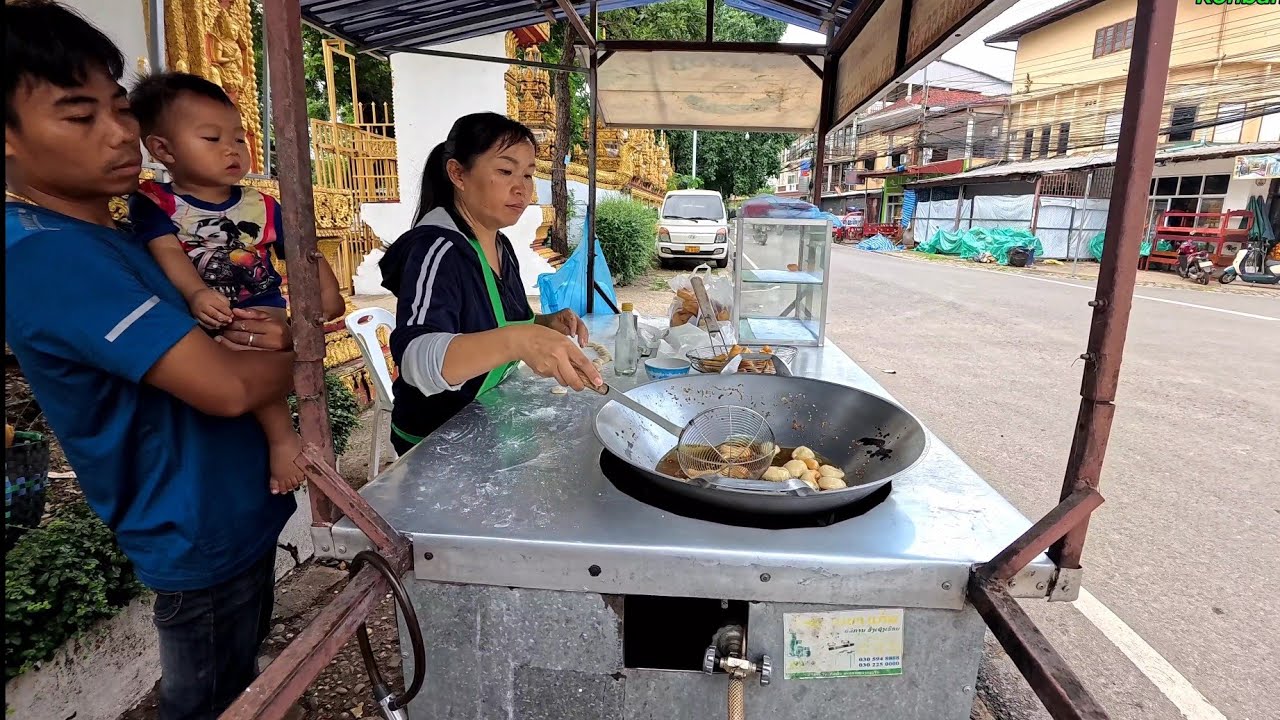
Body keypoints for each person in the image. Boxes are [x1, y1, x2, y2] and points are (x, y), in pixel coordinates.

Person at [4, 3, 295, 717]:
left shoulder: (122, 231)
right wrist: (299, 356)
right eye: (79, 117)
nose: (120, 134)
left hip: (234, 509)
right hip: (193, 529)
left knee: (241, 684)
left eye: (119, 107)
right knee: (208, 702)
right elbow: (226, 387)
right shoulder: (48, 255)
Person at [127, 71, 345, 492]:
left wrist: (328, 293)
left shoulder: (262, 203)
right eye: (212, 139)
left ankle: (283, 438)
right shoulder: (155, 202)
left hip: (259, 301)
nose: (232, 149)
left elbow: (303, 250)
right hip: (200, 308)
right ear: (163, 149)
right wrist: (195, 292)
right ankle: (273, 440)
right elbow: (167, 250)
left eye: (239, 138)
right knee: (220, 363)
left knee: (255, 351)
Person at [379, 113, 603, 452]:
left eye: (528, 174)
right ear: (458, 174)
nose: (522, 188)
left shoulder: (501, 244)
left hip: (485, 420)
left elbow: (497, 322)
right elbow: (414, 360)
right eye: (505, 171)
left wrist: (544, 325)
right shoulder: (435, 248)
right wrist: (519, 340)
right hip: (435, 440)